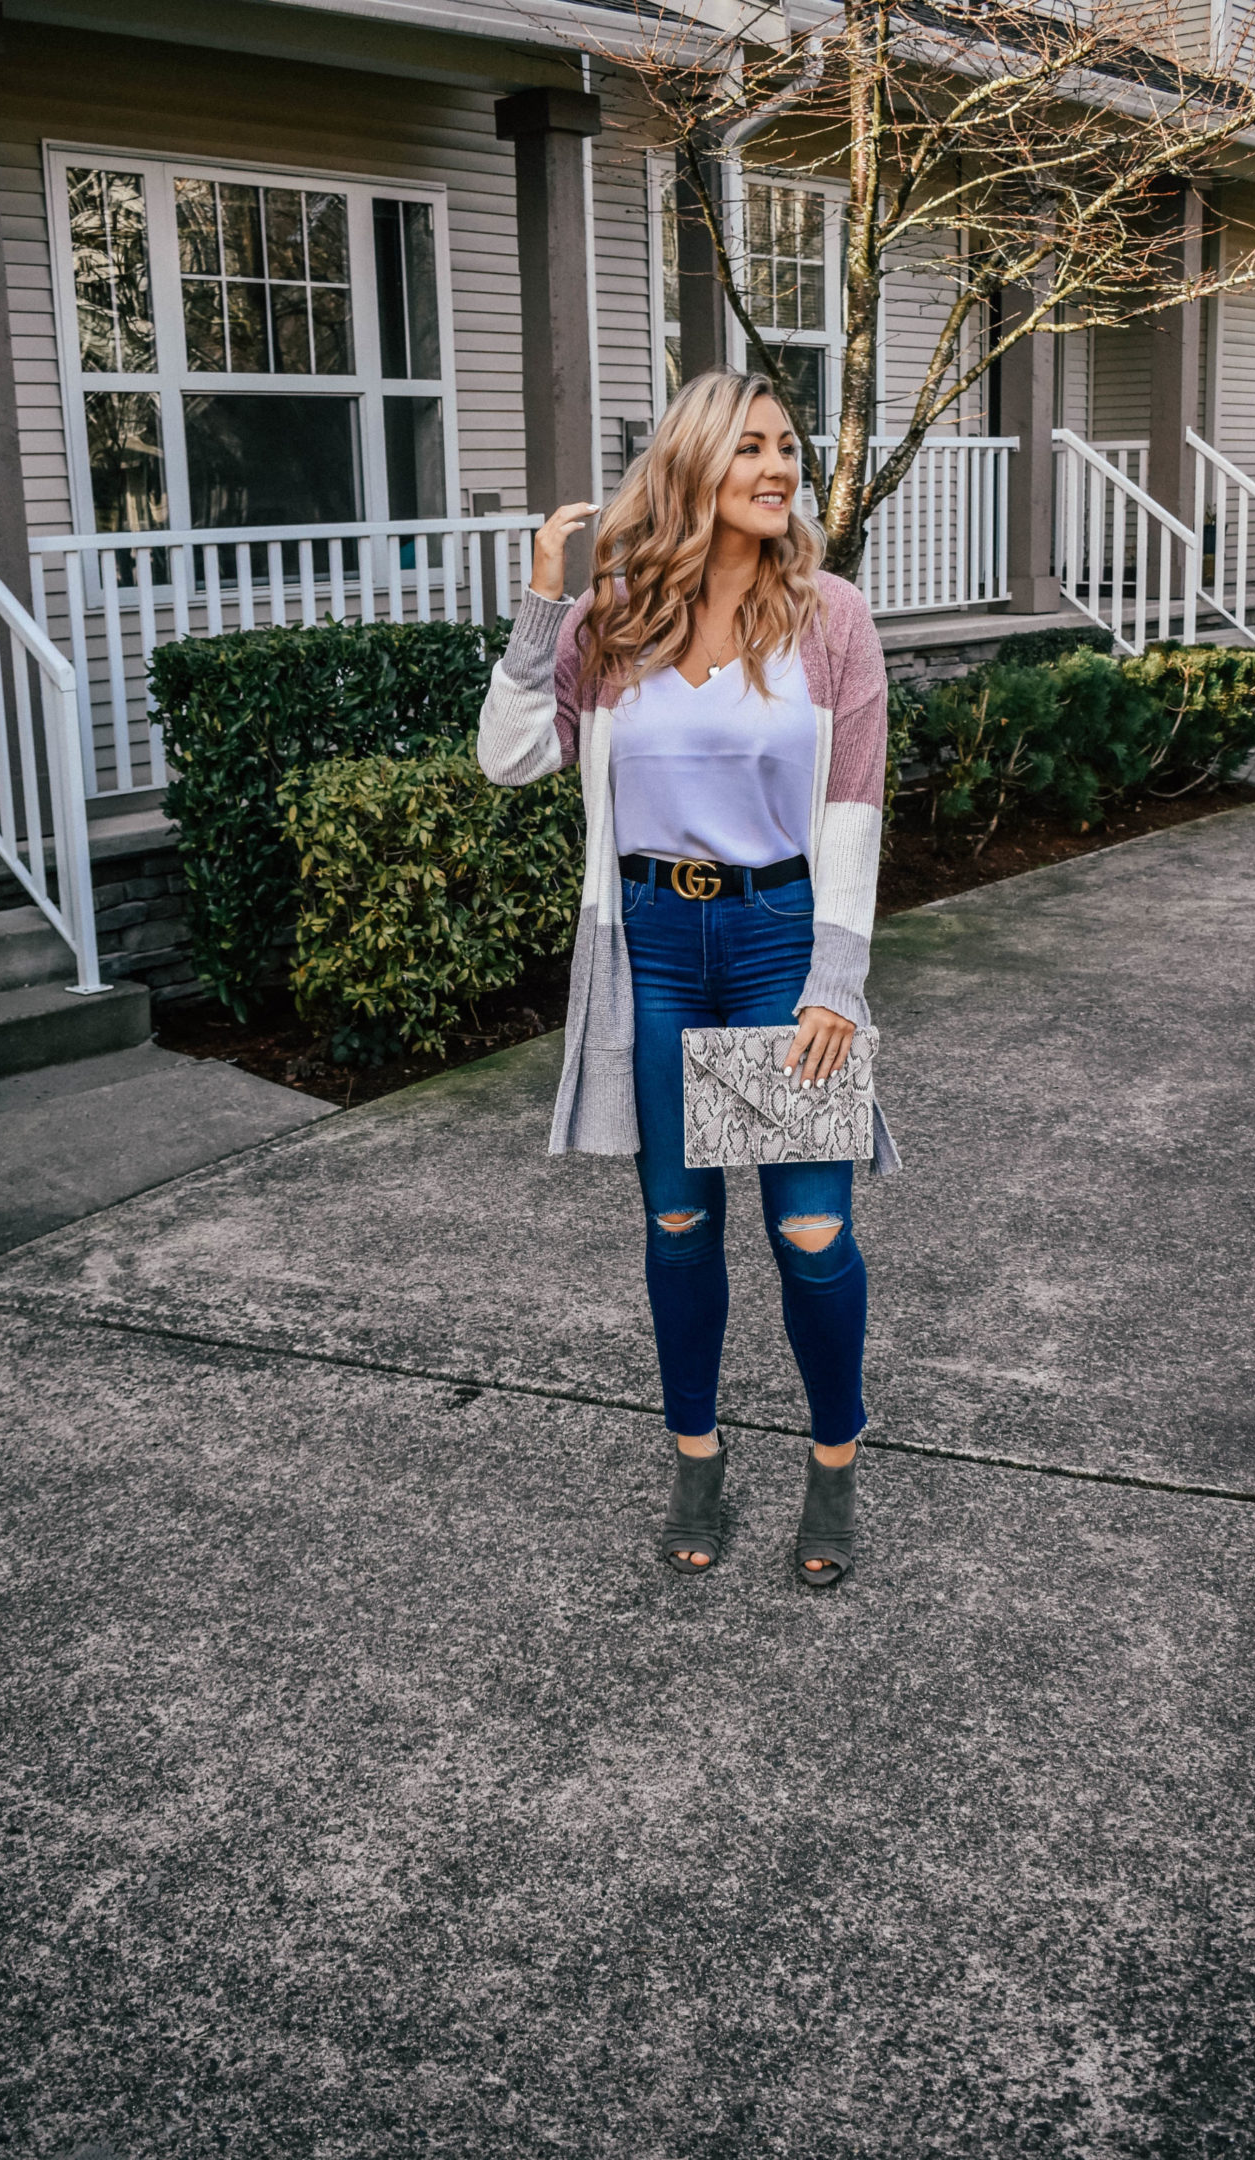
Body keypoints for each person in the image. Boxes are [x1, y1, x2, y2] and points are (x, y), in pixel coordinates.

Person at [477, 367, 899, 1587]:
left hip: (777, 943)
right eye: (752, 448)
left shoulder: (830, 616)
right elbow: (512, 761)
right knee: (678, 1223)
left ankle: (832, 1470)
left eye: (788, 448)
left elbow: (854, 805)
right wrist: (542, 608)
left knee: (811, 1228)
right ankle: (698, 1461)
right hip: (655, 946)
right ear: (694, 465)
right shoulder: (615, 620)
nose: (780, 469)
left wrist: (837, 976)